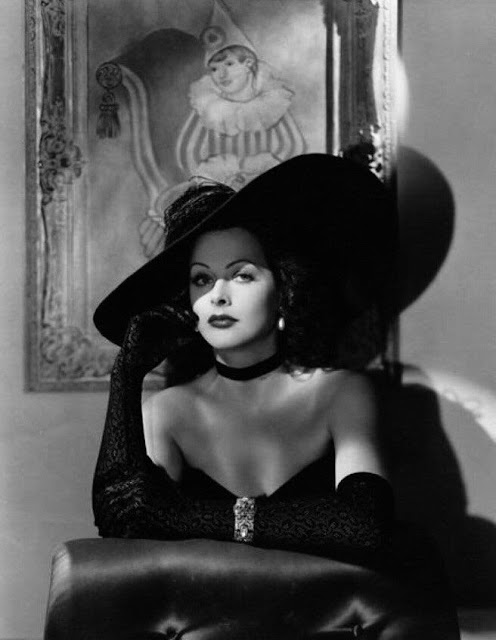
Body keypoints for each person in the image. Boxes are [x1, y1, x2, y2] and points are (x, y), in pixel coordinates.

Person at [92, 153, 397, 567]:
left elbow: (366, 525)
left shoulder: (341, 392)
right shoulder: (166, 411)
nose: (218, 295)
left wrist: (183, 517)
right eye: (201, 278)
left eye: (242, 274)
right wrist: (125, 375)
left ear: (285, 291)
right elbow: (121, 529)